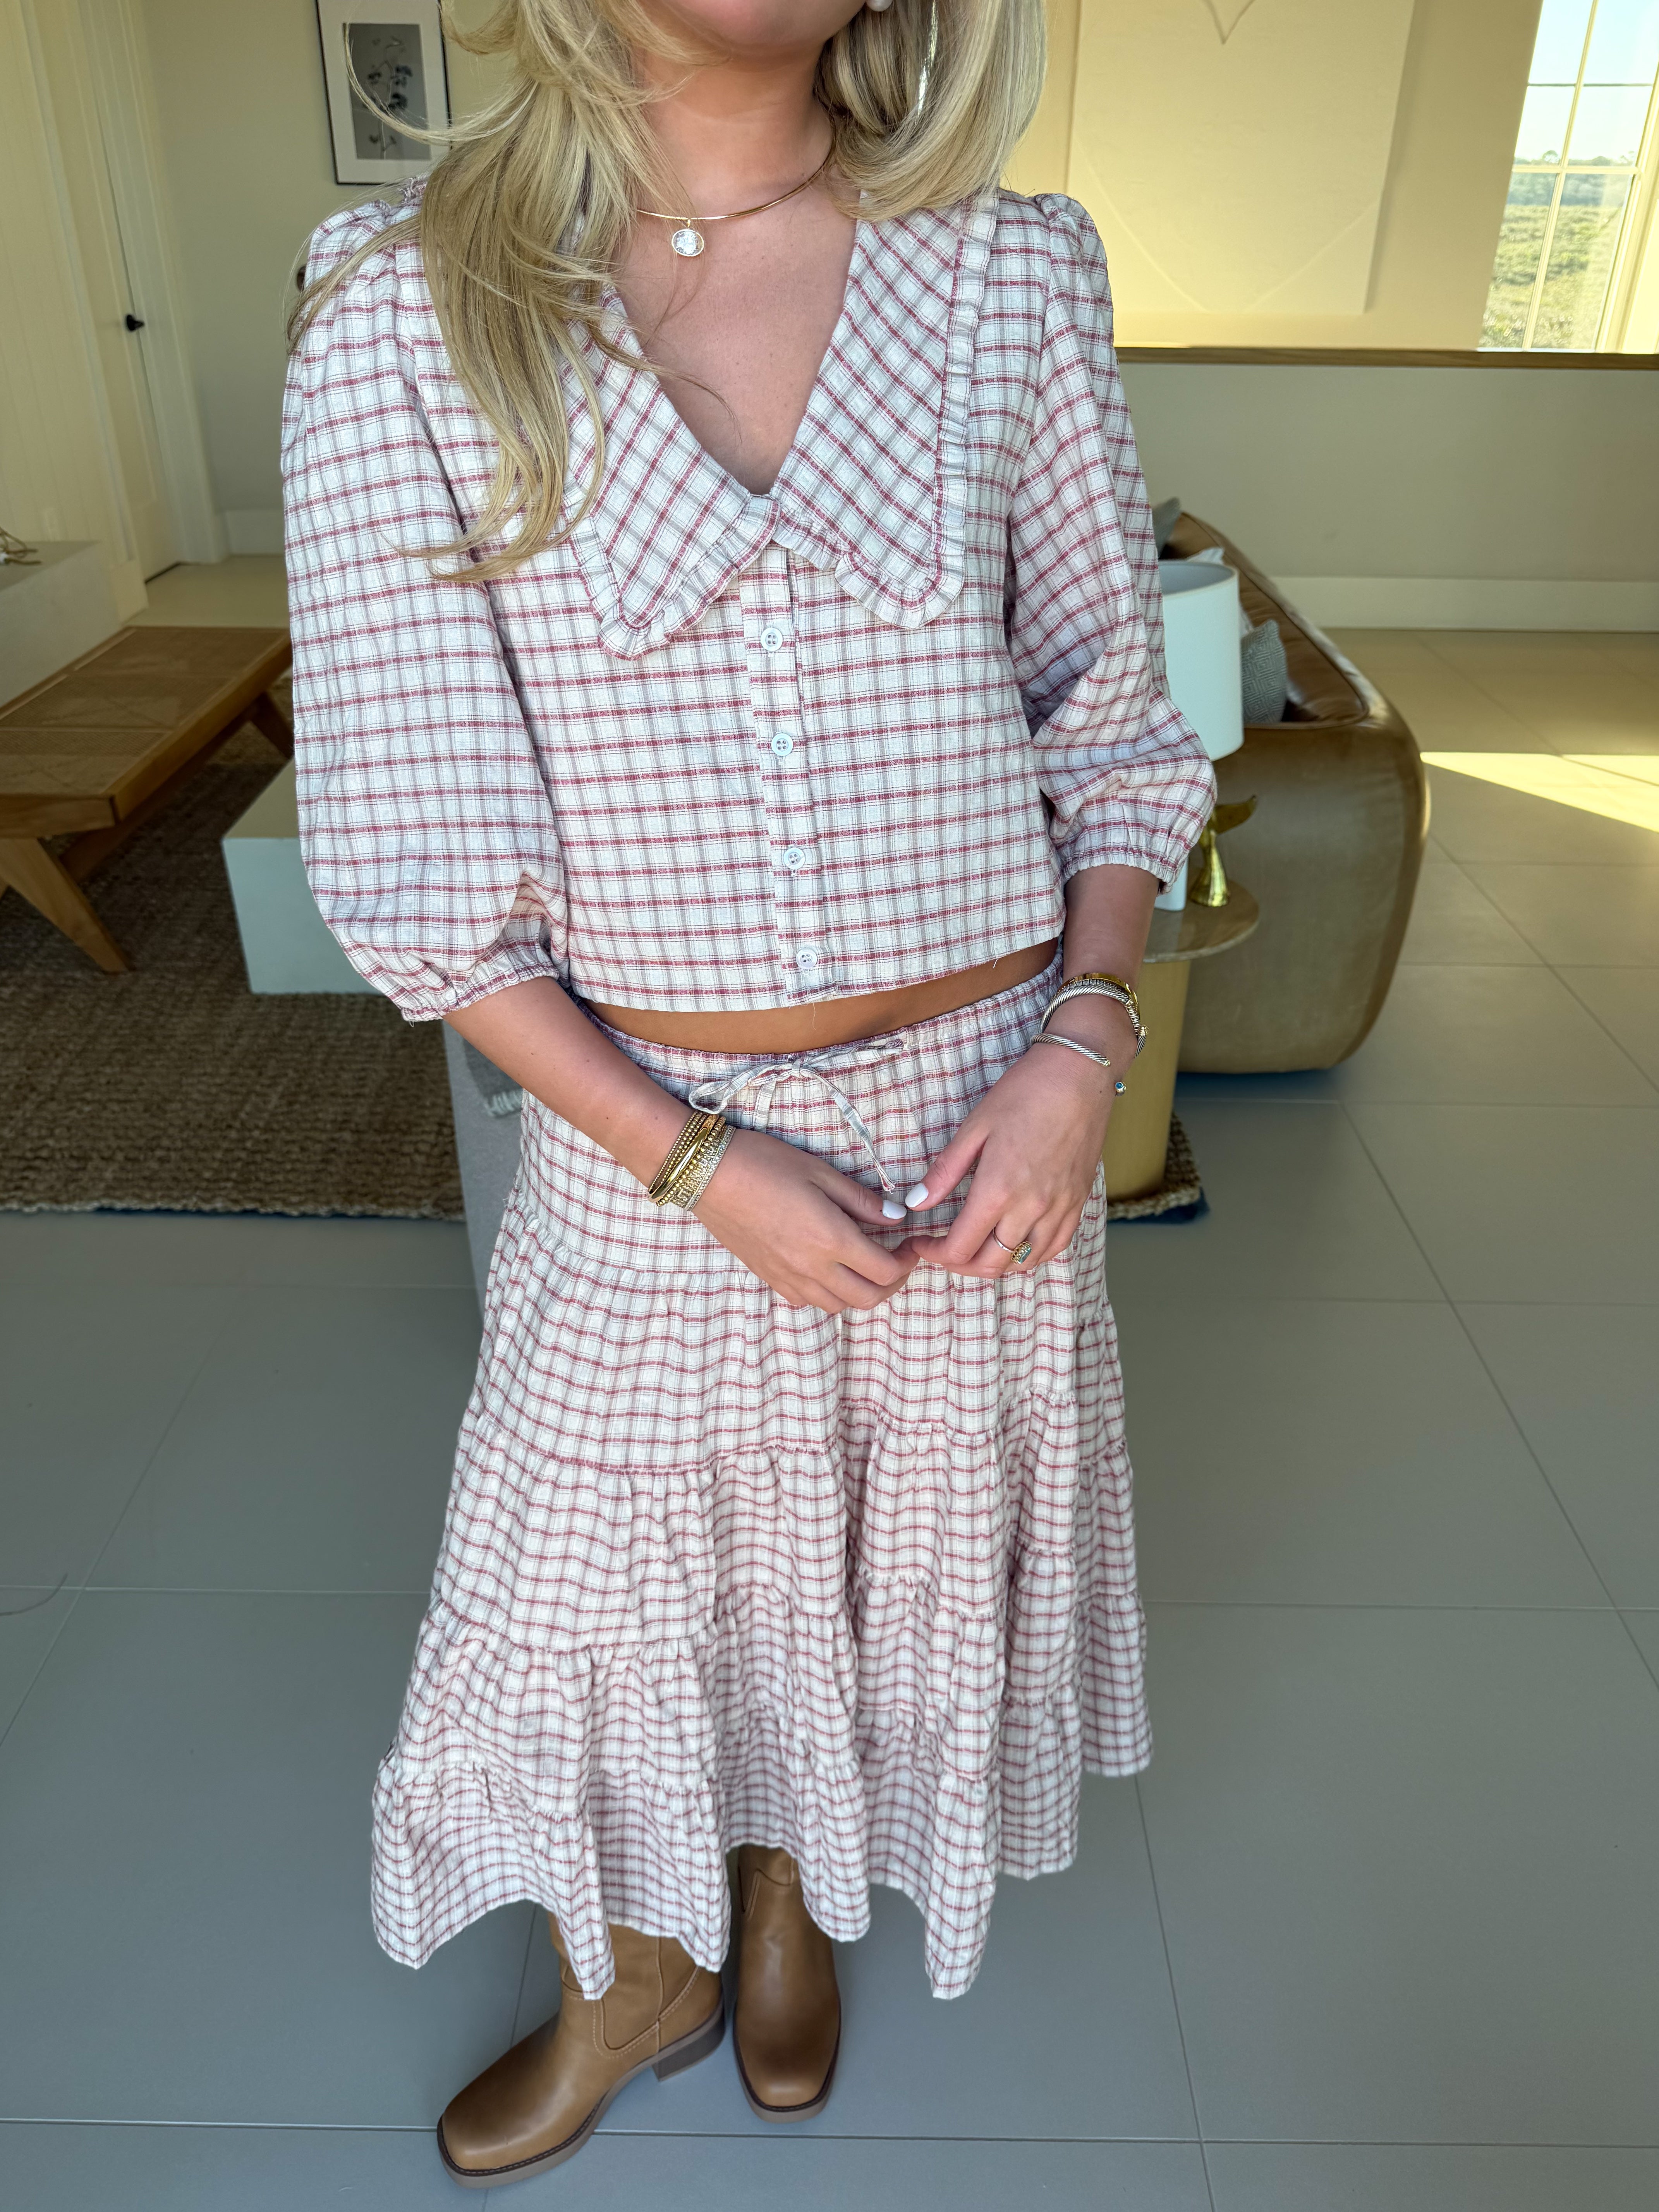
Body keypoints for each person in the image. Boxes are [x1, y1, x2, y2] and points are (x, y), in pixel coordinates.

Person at [283, 0, 1214, 2187]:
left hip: (993, 1113)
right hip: (648, 1142)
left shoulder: (1009, 271)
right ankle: (640, 1972)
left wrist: (1087, 1050)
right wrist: (694, 1159)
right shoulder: (403, 306)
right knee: (605, 1583)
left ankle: (791, 1892)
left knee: (885, 1561)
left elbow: (1111, 709)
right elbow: (418, 855)